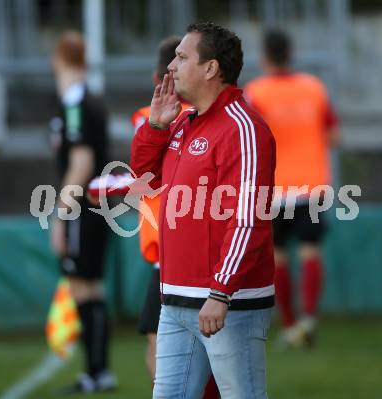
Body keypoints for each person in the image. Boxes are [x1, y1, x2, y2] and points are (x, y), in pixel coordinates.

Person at [131, 22, 276, 399]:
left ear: (211, 68)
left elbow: (249, 219)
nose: (171, 67)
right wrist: (156, 127)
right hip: (176, 301)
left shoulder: (244, 128)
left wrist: (221, 292)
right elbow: (145, 182)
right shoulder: (182, 124)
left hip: (227, 305)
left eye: (181, 57)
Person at [132, 35, 219, 399]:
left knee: (167, 348)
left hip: (172, 255)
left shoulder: (155, 117)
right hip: (182, 255)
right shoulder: (184, 118)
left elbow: (142, 180)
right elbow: (144, 169)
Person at [245, 30, 339, 347]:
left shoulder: (256, 92)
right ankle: (309, 317)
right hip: (311, 186)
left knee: (279, 256)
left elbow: (249, 139)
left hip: (274, 189)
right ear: (291, 52)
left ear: (264, 57)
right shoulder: (314, 88)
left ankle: (288, 325)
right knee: (311, 250)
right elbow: (334, 135)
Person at [50, 31, 116, 393]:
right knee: (91, 288)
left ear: (57, 59)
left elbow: (81, 161)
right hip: (96, 207)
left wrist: (60, 215)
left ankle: (95, 372)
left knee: (82, 287)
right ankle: (99, 370)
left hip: (83, 209)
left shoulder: (75, 102)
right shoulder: (91, 100)